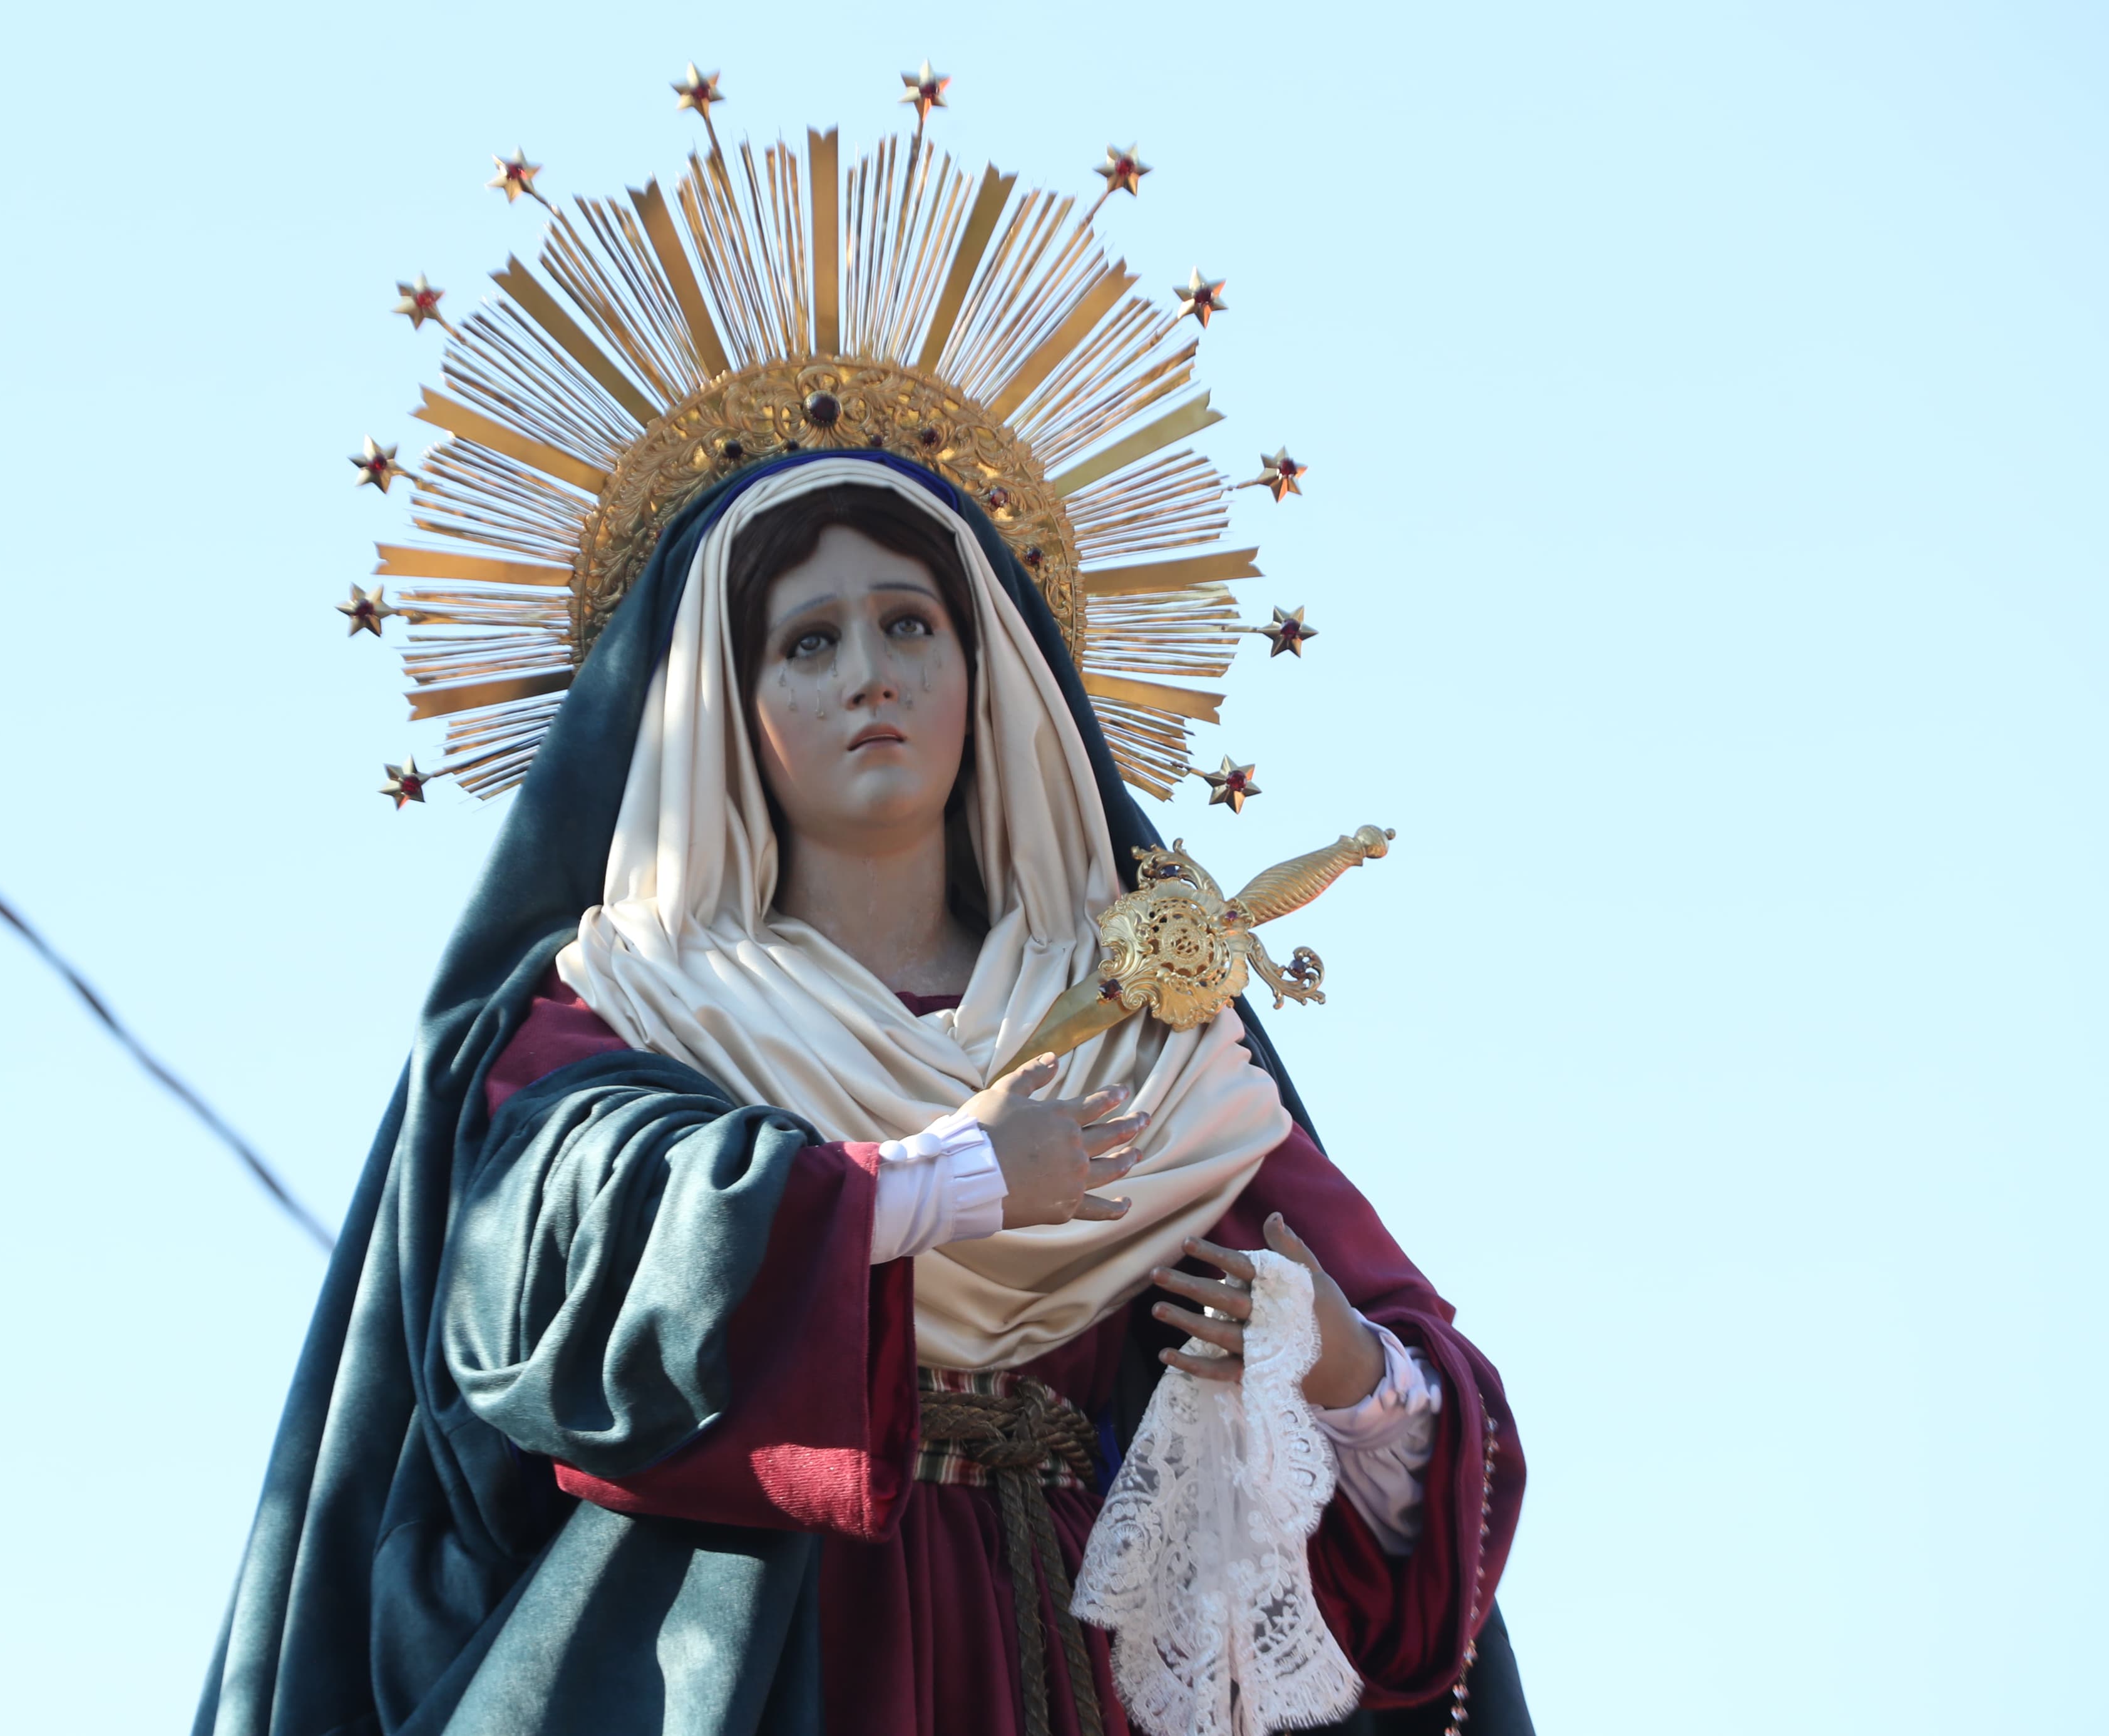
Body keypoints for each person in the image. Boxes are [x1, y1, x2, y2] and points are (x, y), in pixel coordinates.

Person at [194, 453, 1529, 1736]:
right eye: (808, 642)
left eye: (908, 626)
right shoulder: (625, 1011)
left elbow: (1417, 1451)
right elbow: (548, 1273)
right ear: (721, 697)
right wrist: (941, 1183)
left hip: (1078, 1647)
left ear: (986, 670)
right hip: (731, 1650)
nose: (870, 679)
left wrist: (1338, 1365)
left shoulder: (1143, 1033)